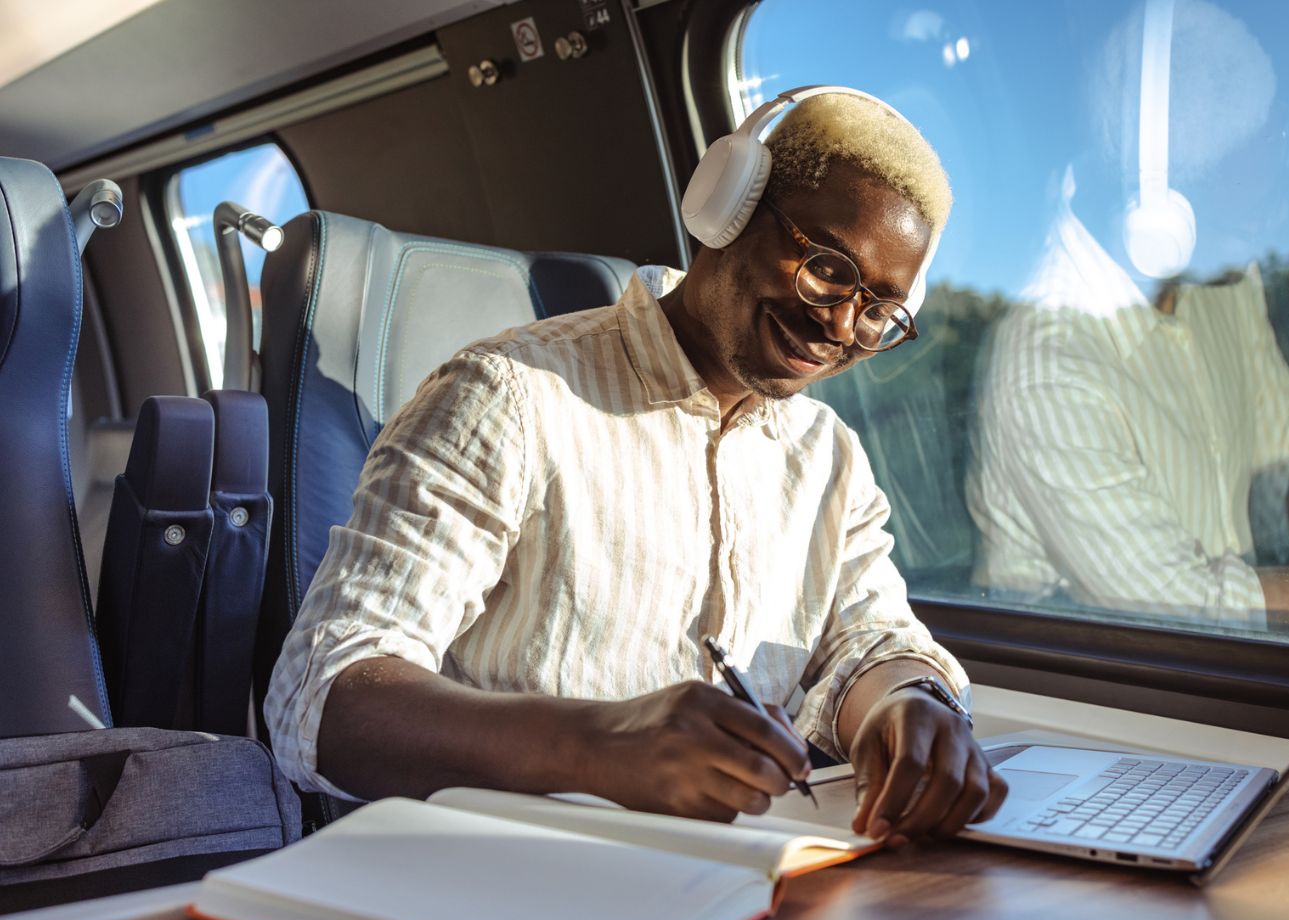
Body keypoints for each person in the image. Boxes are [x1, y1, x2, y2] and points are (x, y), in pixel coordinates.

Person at [265, 89, 1008, 844]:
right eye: (826, 268)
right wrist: (598, 745)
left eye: (879, 309)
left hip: (737, 878)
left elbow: (873, 640)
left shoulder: (827, 457)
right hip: (514, 876)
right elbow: (321, 699)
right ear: (729, 207)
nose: (841, 324)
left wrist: (905, 703)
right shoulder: (508, 399)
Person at [966, 0, 1289, 630]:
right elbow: (1186, 607)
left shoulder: (1219, 277)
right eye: (1251, 204)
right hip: (1115, 706)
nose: (1277, 218)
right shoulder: (1045, 370)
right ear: (1159, 216)